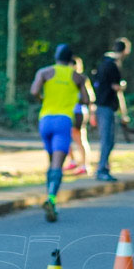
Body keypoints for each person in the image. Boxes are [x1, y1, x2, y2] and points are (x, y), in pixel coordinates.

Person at [29, 44, 88, 222]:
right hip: (63, 121)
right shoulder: (77, 77)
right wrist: (73, 93)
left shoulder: (44, 72)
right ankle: (51, 199)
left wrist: (43, 99)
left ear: (56, 56)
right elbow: (86, 99)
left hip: (45, 120)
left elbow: (34, 91)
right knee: (57, 164)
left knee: (51, 161)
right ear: (71, 59)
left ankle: (49, 196)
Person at [93, 38, 132, 182]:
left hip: (101, 105)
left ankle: (104, 168)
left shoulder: (103, 64)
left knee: (107, 139)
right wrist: (123, 86)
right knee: (108, 140)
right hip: (107, 107)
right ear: (125, 50)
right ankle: (102, 169)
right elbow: (116, 88)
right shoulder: (113, 66)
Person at [64, 56, 95, 176]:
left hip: (79, 112)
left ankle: (85, 165)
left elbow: (90, 97)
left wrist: (92, 113)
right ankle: (73, 161)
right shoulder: (66, 79)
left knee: (80, 139)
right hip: (69, 112)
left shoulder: (81, 79)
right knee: (67, 138)